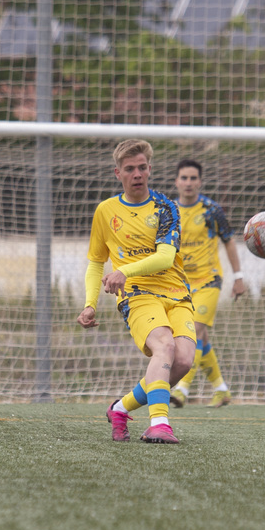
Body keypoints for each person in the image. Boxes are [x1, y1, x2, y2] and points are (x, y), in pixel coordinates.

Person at [77, 139, 197, 444]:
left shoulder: (165, 207)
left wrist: (122, 270)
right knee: (164, 347)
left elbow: (165, 257)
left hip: (176, 293)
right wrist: (90, 303)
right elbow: (95, 263)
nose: (137, 174)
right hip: (137, 294)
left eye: (142, 167)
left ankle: (120, 408)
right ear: (118, 173)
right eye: (129, 169)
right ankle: (159, 424)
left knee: (182, 361)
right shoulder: (106, 211)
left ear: (150, 169)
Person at [168, 159, 246, 409]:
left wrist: (238, 277)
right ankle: (221, 389)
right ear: (176, 181)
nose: (188, 183)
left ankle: (181, 389)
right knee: (201, 338)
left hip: (209, 281)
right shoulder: (169, 211)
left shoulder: (212, 210)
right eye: (184, 178)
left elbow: (229, 240)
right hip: (180, 285)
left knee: (192, 333)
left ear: (200, 182)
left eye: (193, 178)